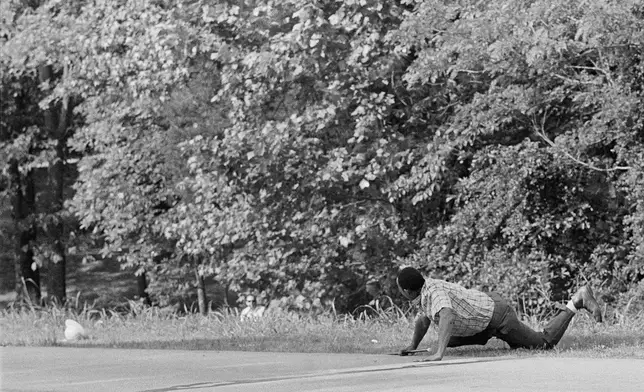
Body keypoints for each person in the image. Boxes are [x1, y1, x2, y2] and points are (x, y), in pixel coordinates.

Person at [396, 267, 602, 361]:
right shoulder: (424, 291)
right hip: (484, 314)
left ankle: (577, 300)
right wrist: (413, 346)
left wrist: (438, 355)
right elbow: (423, 319)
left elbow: (447, 316)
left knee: (543, 343)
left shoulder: (434, 292)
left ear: (406, 291)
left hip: (498, 317)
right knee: (446, 339)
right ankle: (506, 338)